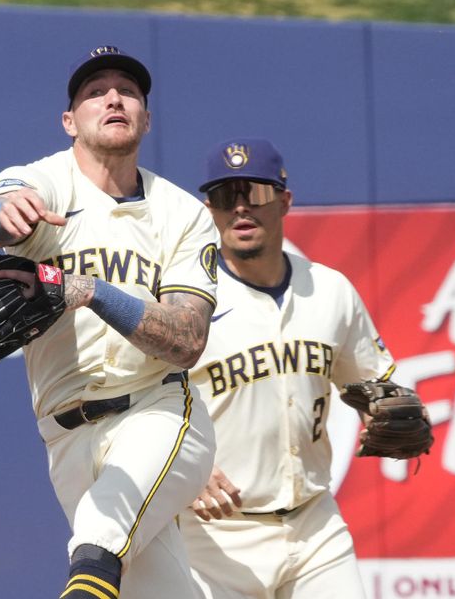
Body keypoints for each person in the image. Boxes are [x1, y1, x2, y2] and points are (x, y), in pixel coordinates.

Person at [0, 46, 220, 599]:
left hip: (157, 411)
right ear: (69, 121)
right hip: (64, 436)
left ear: (145, 118)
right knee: (157, 589)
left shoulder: (183, 214)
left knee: (96, 550)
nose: (112, 97)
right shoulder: (45, 181)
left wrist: (88, 289)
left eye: (127, 90)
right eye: (94, 91)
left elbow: (187, 340)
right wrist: (2, 214)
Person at [178, 137, 402, 599]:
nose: (241, 208)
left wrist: (390, 409)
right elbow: (139, 402)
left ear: (284, 201)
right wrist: (180, 460)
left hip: (314, 525)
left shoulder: (330, 290)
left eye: (255, 193)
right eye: (225, 197)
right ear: (209, 211)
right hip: (215, 539)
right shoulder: (185, 301)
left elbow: (374, 386)